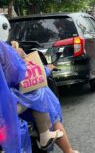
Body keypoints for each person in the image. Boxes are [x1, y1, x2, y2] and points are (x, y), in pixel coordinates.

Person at [0, 15, 79, 153]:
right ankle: (60, 145)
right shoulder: (4, 51)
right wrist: (22, 56)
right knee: (40, 93)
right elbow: (20, 74)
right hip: (6, 107)